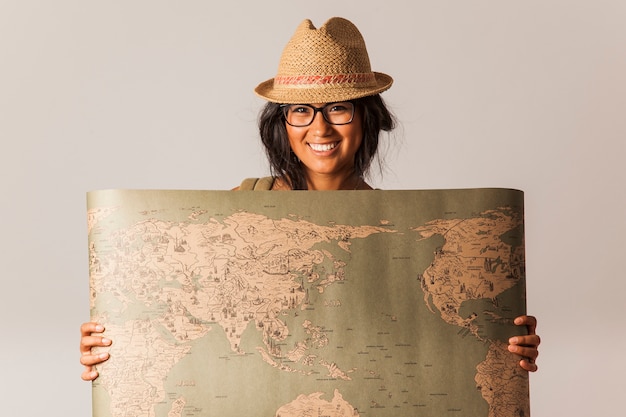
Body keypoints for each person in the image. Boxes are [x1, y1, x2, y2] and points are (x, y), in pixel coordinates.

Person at [80, 16, 540, 381]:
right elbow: (180, 318)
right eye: (300, 110)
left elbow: (428, 344)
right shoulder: (234, 214)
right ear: (281, 123)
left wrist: (500, 338)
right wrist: (111, 343)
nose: (319, 129)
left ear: (367, 118)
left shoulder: (406, 234)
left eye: (338, 108)